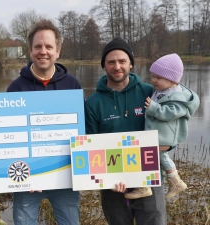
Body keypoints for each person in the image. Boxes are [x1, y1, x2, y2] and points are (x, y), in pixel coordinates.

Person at [84, 37, 167, 225]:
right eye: (111, 62)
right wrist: (109, 177)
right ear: (104, 66)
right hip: (112, 184)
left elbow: (171, 123)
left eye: (122, 61)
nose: (117, 66)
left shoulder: (150, 92)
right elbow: (90, 146)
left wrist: (168, 146)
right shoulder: (92, 103)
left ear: (130, 64)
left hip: (149, 179)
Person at [7, 19, 82, 225]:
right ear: (30, 51)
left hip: (65, 178)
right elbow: (10, 134)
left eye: (49, 46)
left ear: (57, 51)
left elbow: (80, 132)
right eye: (38, 46)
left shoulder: (72, 84)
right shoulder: (16, 87)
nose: (43, 51)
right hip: (27, 179)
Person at [124, 53, 200, 200]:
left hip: (165, 136)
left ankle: (151, 185)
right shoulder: (163, 91)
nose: (153, 81)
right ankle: (169, 182)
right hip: (158, 134)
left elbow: (171, 113)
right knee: (155, 155)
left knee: (149, 154)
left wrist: (154, 109)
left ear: (172, 79)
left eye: (158, 78)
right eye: (153, 76)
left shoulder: (179, 97)